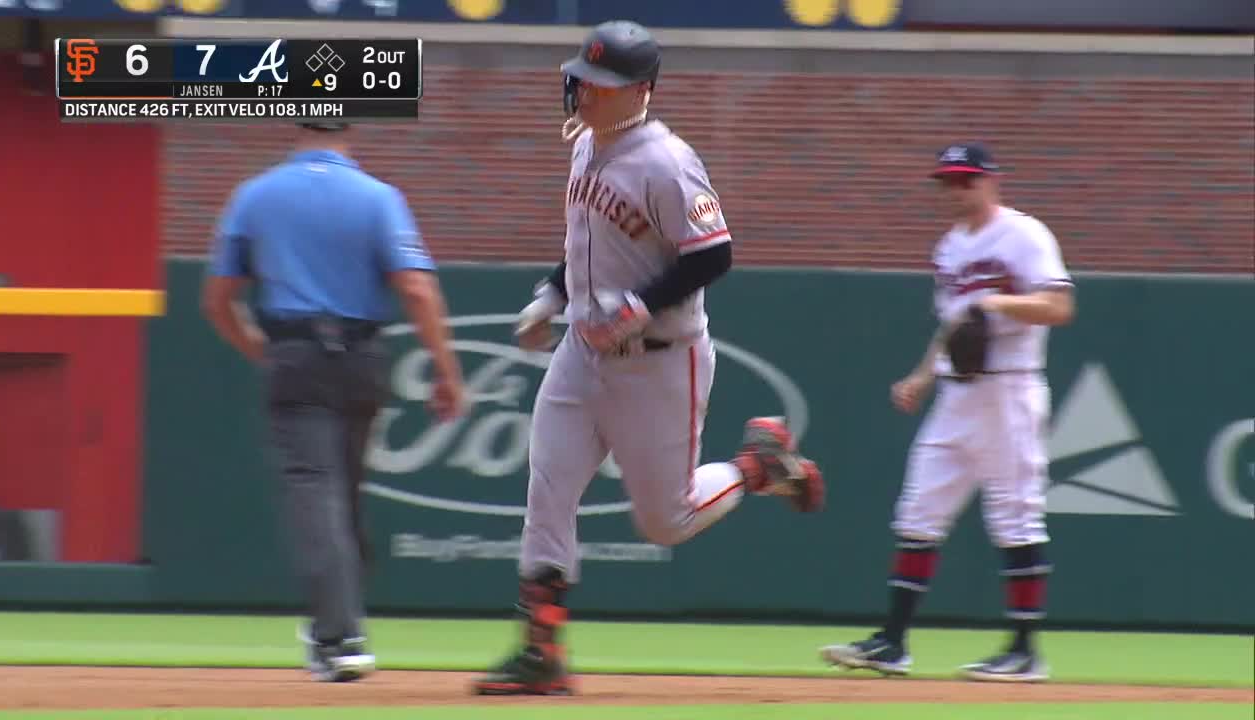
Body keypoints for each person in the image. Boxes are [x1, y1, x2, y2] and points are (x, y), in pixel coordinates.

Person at [471, 21, 826, 697]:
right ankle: (541, 652)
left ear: (639, 91)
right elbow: (585, 243)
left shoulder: (667, 161)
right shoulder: (585, 148)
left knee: (666, 519)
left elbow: (713, 253)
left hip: (661, 359)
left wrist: (639, 302)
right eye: (583, 77)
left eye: (600, 84)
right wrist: (550, 294)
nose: (583, 92)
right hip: (582, 352)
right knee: (548, 489)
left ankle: (758, 464)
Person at [202, 121, 465, 682]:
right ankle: (335, 626)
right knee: (340, 498)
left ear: (294, 124)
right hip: (361, 359)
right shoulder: (378, 197)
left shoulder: (255, 195)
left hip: (295, 354)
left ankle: (341, 636)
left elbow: (218, 300)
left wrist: (258, 348)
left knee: (317, 498)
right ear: (350, 129)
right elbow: (416, 288)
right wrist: (446, 372)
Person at [819, 142, 1075, 683]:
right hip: (958, 396)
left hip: (1010, 392)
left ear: (990, 181)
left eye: (966, 179)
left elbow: (1059, 306)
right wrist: (921, 374)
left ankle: (1025, 651)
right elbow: (954, 326)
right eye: (947, 180)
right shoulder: (949, 248)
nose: (956, 189)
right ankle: (892, 644)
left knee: (1016, 515)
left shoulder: (1025, 234)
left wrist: (998, 303)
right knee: (918, 513)